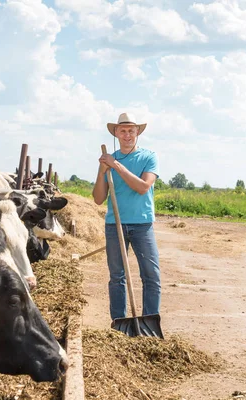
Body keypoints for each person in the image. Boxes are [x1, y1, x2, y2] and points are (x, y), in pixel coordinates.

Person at [92, 112, 161, 326]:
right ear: (116, 133)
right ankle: (119, 322)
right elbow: (98, 198)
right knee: (117, 277)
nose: (127, 134)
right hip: (115, 224)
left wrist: (117, 166)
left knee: (151, 275)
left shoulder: (148, 157)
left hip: (142, 224)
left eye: (131, 130)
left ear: (138, 132)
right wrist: (103, 171)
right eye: (123, 130)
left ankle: (149, 321)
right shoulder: (109, 160)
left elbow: (142, 187)